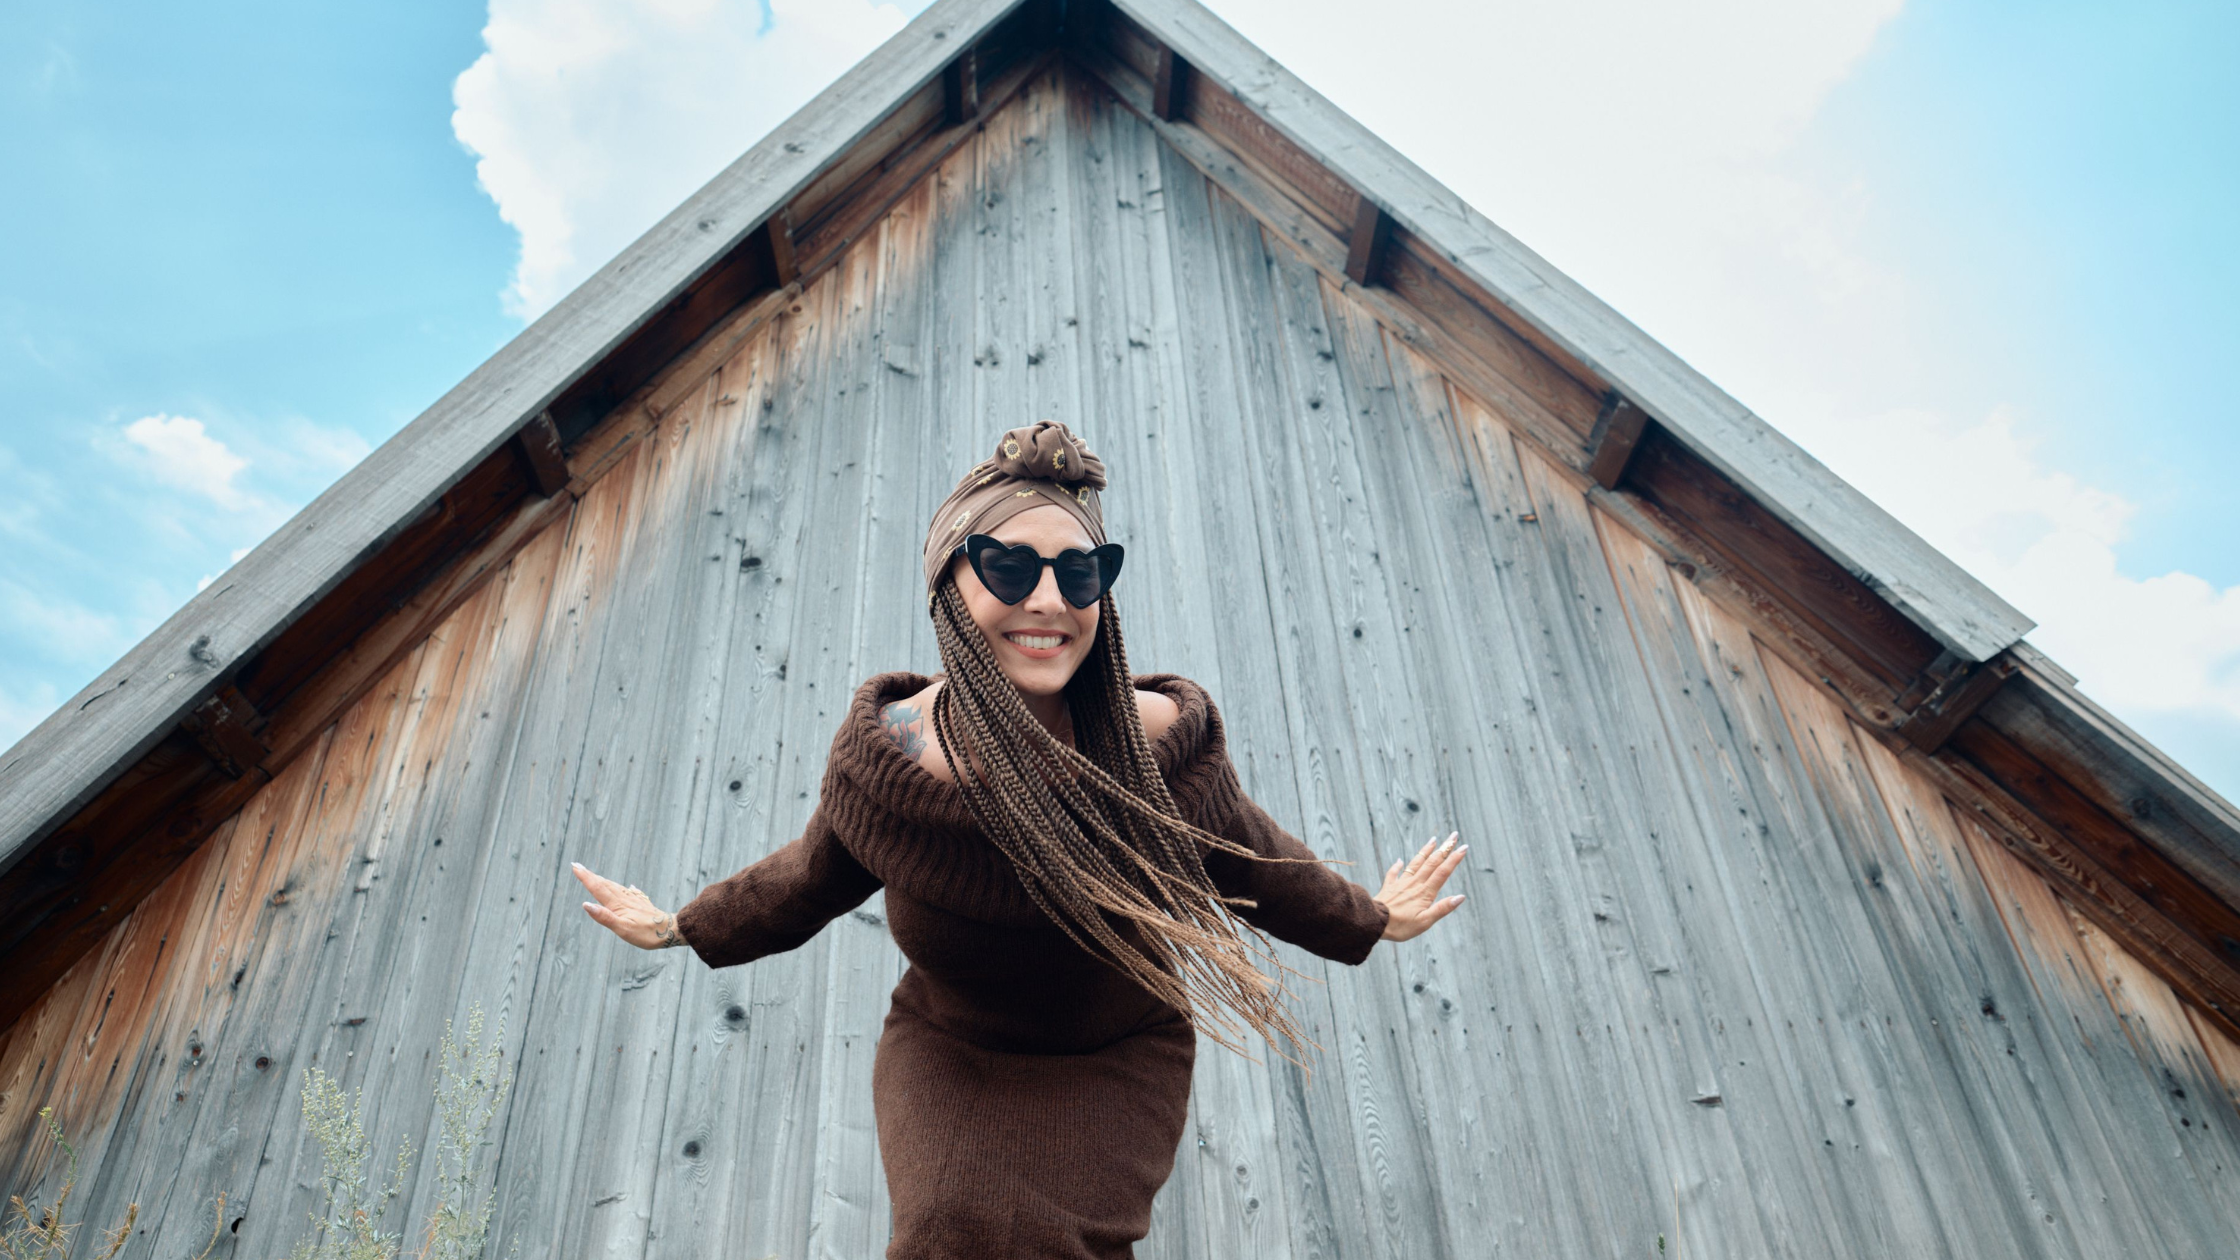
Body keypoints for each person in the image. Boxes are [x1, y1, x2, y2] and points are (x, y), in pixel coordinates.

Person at [574, 420, 1467, 1258]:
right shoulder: (892, 760)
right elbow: (809, 877)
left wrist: (1370, 917)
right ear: (949, 585)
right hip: (952, 1050)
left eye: (1081, 574)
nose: (1049, 601)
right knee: (945, 1228)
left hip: (1115, 1052)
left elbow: (1251, 853)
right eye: (1009, 568)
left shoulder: (1157, 743)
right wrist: (683, 926)